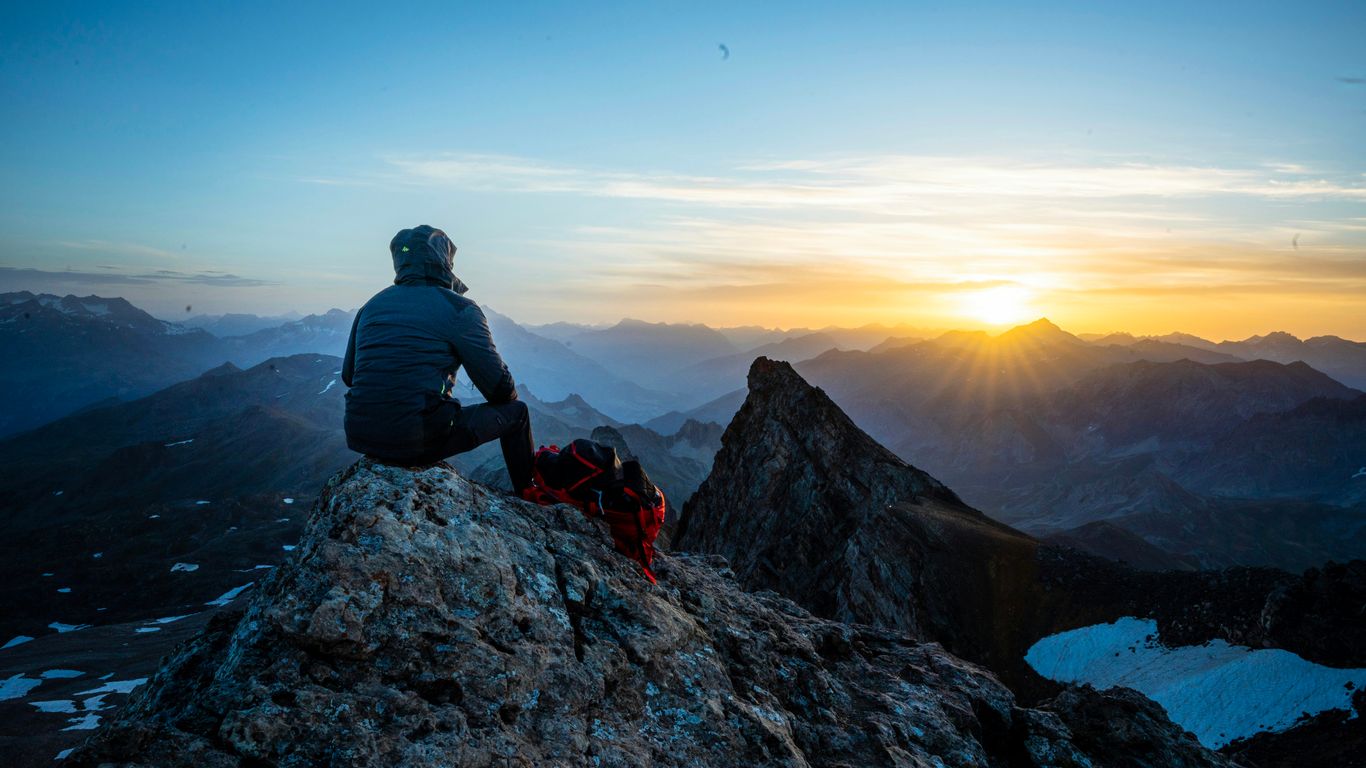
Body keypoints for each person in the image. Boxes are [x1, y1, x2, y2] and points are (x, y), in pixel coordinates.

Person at [341, 225, 536, 497]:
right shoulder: (459, 309)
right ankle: (529, 495)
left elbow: (349, 376)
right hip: (417, 439)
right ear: (445, 259)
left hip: (360, 434)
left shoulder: (371, 306)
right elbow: (499, 390)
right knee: (517, 412)